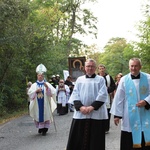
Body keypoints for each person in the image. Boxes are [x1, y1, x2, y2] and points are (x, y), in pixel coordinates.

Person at [66, 59, 108, 150]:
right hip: (81, 113)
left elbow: (103, 94)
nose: (90, 68)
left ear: (95, 68)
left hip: (96, 113)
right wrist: (81, 107)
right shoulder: (79, 80)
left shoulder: (100, 80)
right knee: (78, 138)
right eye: (88, 66)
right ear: (84, 68)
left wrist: (91, 107)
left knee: (95, 139)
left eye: (92, 66)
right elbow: (75, 93)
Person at [110, 58, 150, 150]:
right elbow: (119, 98)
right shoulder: (124, 80)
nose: (134, 68)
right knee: (129, 136)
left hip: (145, 111)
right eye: (132, 66)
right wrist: (117, 115)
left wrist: (146, 101)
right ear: (129, 67)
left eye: (136, 66)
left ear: (140, 67)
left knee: (145, 131)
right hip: (129, 114)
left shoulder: (148, 78)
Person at [28, 64, 56, 136]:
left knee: (46, 115)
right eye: (39, 75)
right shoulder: (34, 85)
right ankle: (40, 128)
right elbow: (30, 93)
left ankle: (45, 129)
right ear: (37, 76)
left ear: (43, 76)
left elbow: (52, 93)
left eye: (41, 75)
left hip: (45, 103)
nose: (40, 76)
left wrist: (47, 88)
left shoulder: (47, 84)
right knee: (38, 115)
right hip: (37, 104)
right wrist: (36, 91)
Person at [98, 64, 116, 133]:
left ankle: (106, 128)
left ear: (104, 69)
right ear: (98, 69)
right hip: (98, 97)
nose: (101, 70)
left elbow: (113, 86)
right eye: (100, 68)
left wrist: (107, 90)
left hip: (107, 97)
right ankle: (99, 127)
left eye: (103, 68)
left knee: (107, 112)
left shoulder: (108, 77)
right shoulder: (96, 77)